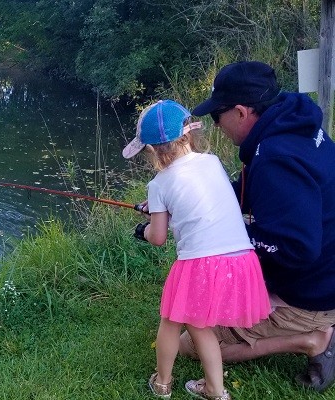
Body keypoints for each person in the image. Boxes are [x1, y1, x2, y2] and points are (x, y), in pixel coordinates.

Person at [179, 60, 335, 393]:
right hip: (325, 268)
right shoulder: (293, 126)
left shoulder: (276, 158)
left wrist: (233, 237)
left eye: (216, 117)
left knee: (191, 342)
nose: (216, 126)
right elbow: (255, 194)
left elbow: (298, 247)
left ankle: (313, 337)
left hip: (313, 292)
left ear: (240, 112)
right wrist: (187, 204)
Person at [123, 99, 271, 399]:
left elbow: (159, 237)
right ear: (188, 134)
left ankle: (162, 382)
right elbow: (198, 202)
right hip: (240, 258)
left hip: (201, 264)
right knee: (200, 325)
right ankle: (215, 390)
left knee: (171, 320)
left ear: (150, 149)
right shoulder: (213, 162)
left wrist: (146, 227)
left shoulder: (159, 184)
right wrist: (160, 210)